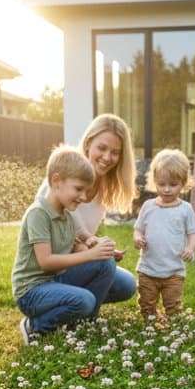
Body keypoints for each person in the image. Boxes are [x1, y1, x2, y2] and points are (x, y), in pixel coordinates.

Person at [13, 145, 118, 341]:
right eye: (78, 189)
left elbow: (73, 246)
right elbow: (45, 261)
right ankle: (34, 326)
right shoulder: (38, 214)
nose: (84, 197)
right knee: (85, 300)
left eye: (86, 191)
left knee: (106, 263)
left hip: (54, 281)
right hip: (32, 291)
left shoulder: (66, 216)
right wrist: (88, 255)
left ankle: (83, 322)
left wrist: (91, 246)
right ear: (56, 181)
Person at [37, 113, 137, 303]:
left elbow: (82, 232)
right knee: (105, 266)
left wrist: (99, 246)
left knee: (127, 284)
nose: (107, 157)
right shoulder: (63, 179)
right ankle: (74, 311)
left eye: (115, 152)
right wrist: (89, 251)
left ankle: (76, 303)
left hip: (78, 263)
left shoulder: (104, 189)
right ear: (88, 143)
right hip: (52, 268)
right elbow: (50, 235)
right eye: (102, 148)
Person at [132, 148, 195, 320]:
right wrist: (138, 238)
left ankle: (173, 326)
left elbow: (193, 232)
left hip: (174, 270)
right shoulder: (148, 206)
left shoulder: (185, 209)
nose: (167, 189)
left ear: (183, 183)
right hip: (148, 268)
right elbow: (138, 228)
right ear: (154, 181)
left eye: (173, 184)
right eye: (162, 184)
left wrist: (190, 249)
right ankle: (149, 326)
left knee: (173, 307)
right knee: (146, 306)